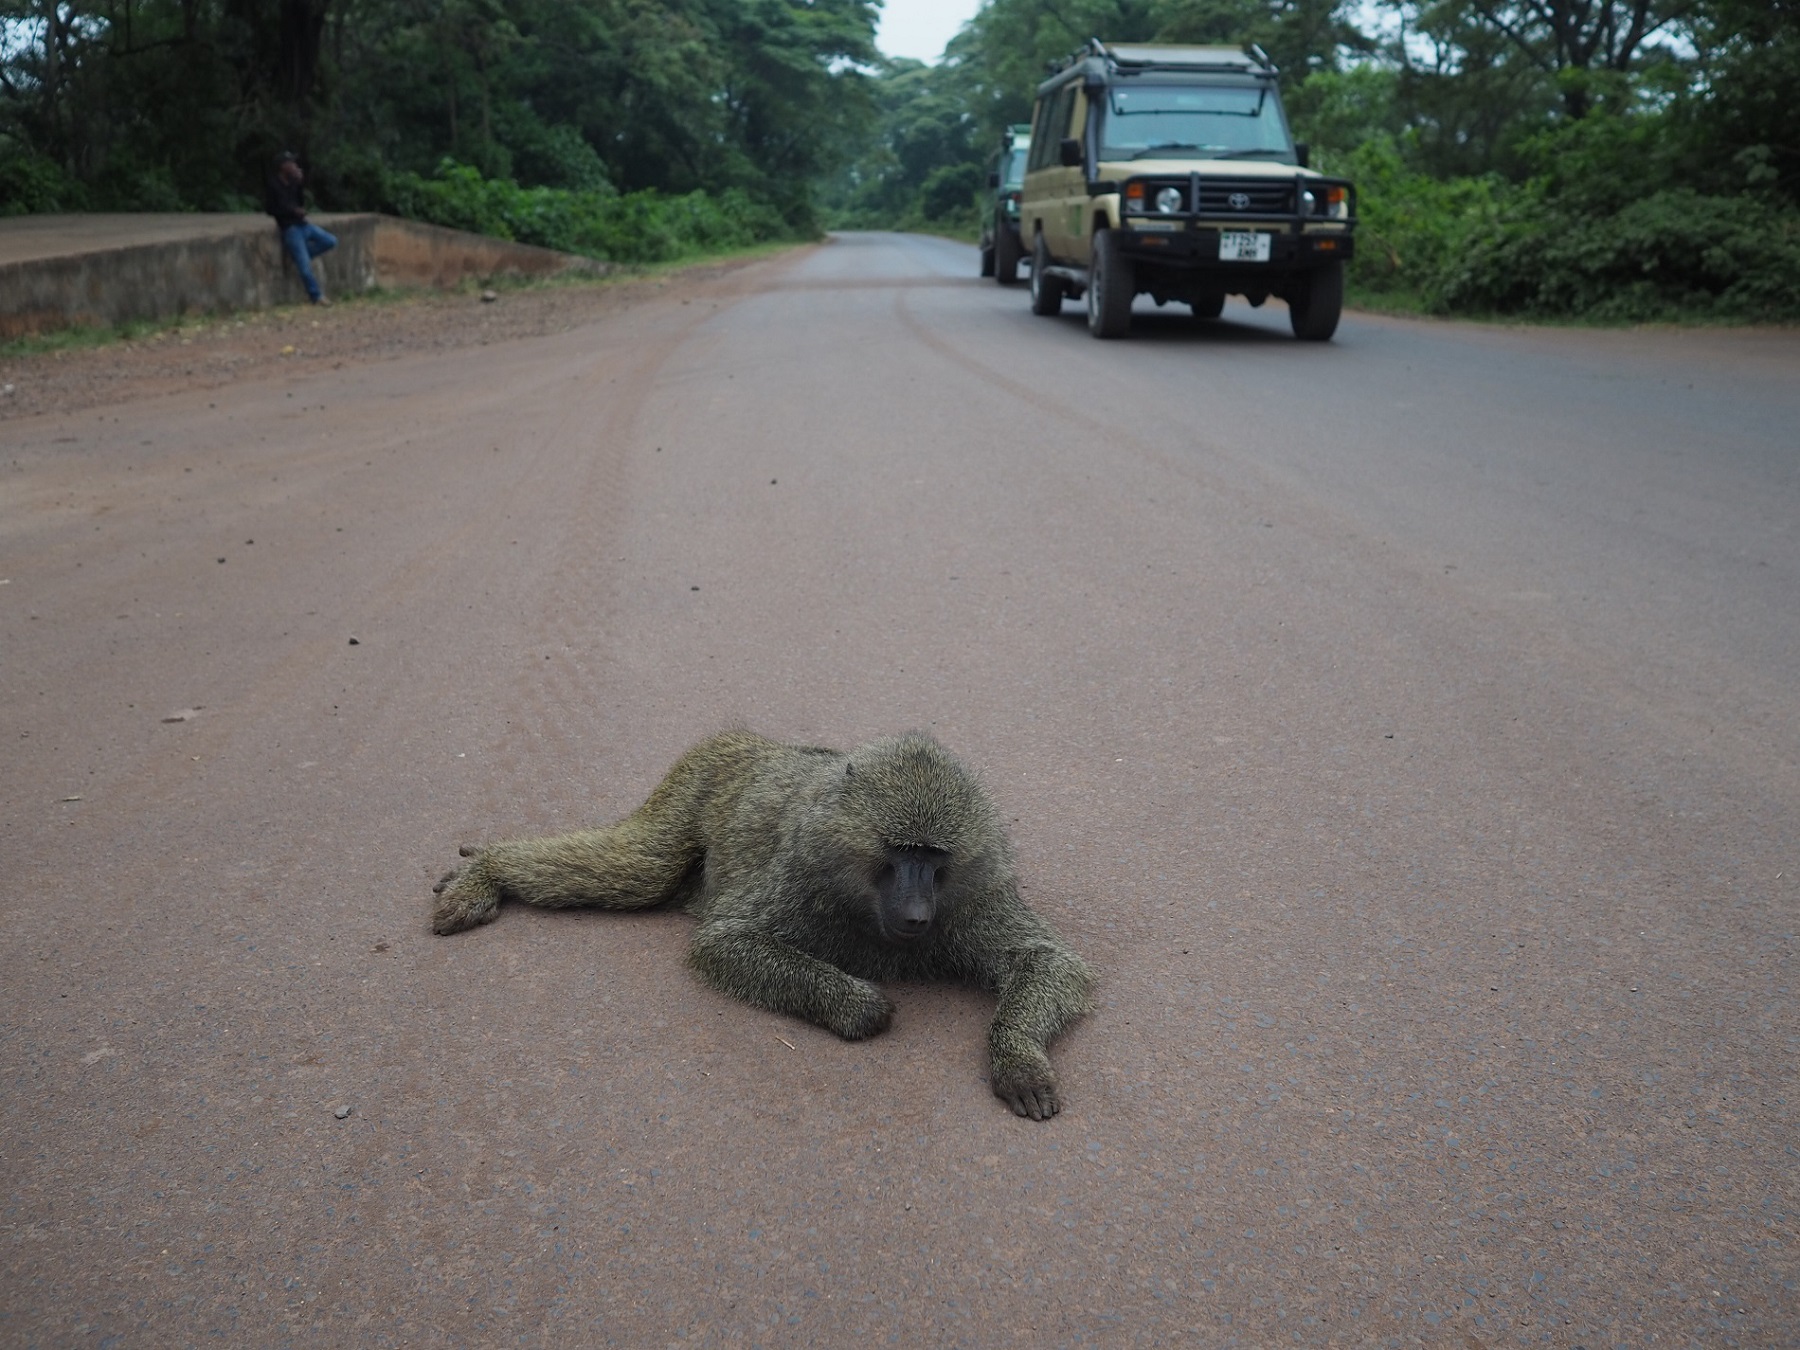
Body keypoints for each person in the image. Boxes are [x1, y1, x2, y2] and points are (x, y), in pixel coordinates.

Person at [265, 151, 336, 306]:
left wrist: (299, 184)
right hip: (290, 228)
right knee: (304, 268)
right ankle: (316, 296)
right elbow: (271, 210)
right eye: (291, 163)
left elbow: (299, 201)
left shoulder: (293, 183)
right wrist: (292, 211)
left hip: (303, 224)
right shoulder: (273, 185)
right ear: (283, 166)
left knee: (330, 241)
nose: (294, 166)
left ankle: (299, 256)